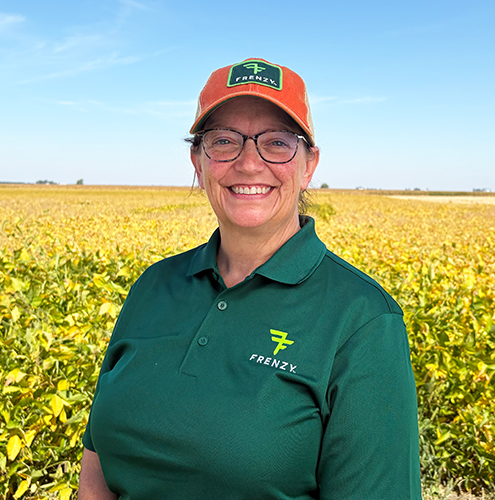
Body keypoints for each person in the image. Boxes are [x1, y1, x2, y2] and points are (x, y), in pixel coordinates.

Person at [78, 58, 422, 500]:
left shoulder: (363, 319)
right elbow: (97, 462)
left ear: (309, 165)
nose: (249, 163)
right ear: (198, 162)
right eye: (224, 141)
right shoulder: (153, 285)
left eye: (276, 143)